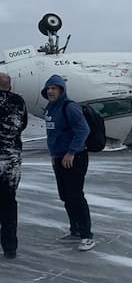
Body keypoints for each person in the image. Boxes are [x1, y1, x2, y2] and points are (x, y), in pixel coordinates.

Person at [42, 75, 95, 251]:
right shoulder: (49, 108)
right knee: (65, 196)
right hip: (58, 158)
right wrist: (54, 155)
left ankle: (87, 235)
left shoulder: (69, 107)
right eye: (48, 88)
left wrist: (71, 152)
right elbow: (53, 135)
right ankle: (75, 230)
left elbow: (83, 130)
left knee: (76, 196)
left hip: (75, 158)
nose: (50, 91)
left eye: (54, 88)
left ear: (62, 90)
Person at [0, 73, 28, 259]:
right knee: (9, 203)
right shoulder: (18, 101)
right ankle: (10, 247)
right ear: (10, 86)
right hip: (11, 160)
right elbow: (23, 124)